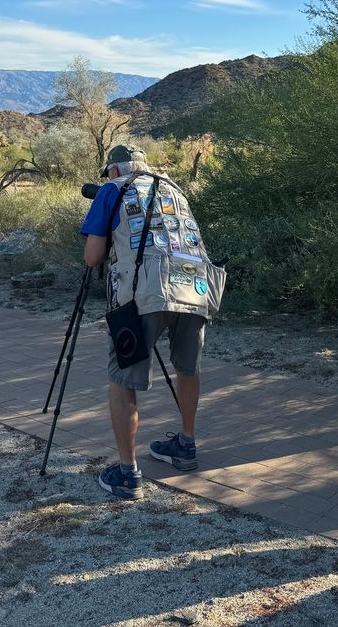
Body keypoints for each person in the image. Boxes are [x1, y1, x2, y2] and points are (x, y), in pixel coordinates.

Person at [82, 144, 223, 500]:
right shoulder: (174, 188)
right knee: (188, 369)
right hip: (196, 287)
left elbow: (92, 256)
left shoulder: (113, 191)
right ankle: (186, 445)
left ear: (113, 171)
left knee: (123, 378)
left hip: (143, 293)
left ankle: (127, 473)